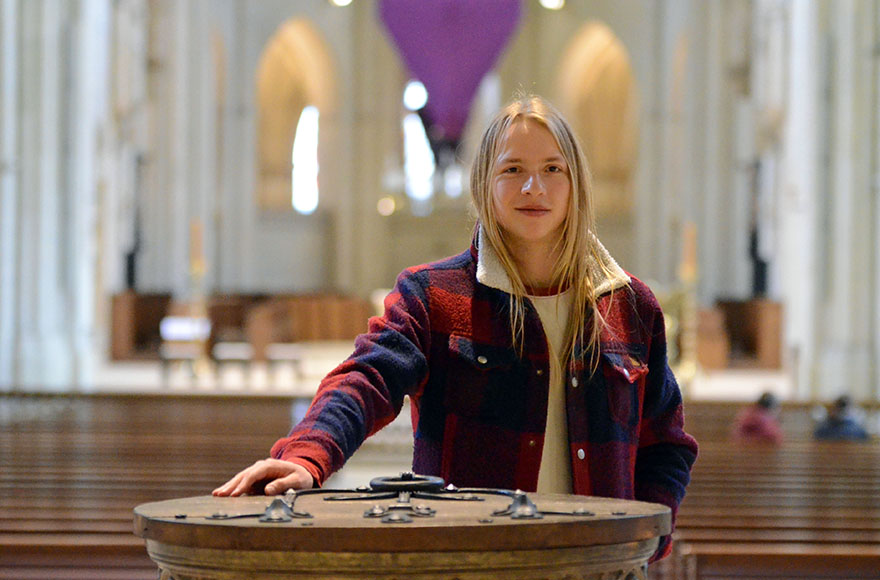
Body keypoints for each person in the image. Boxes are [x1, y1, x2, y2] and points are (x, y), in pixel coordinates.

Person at [214, 95, 698, 561]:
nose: (535, 187)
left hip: (597, 563)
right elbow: (366, 378)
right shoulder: (433, 296)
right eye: (513, 170)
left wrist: (647, 533)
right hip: (469, 560)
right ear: (484, 182)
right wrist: (306, 456)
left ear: (577, 183)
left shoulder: (631, 307)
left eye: (553, 169)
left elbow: (667, 444)